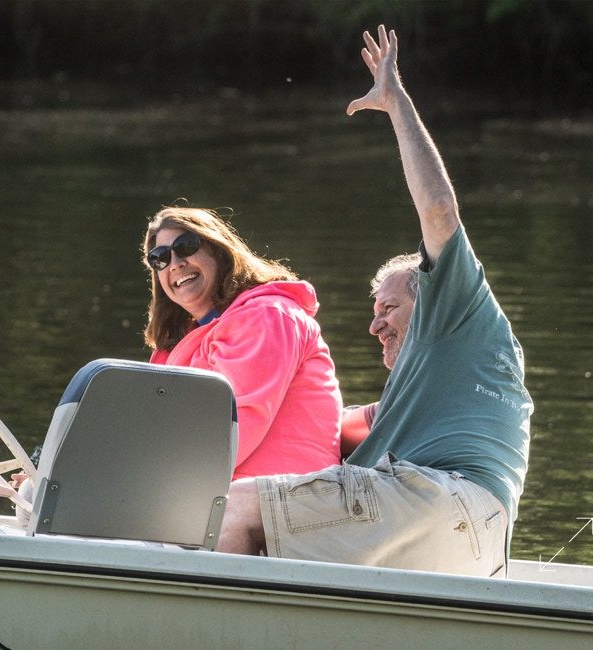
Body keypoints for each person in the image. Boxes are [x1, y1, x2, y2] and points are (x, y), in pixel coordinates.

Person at [216, 26, 532, 578]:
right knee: (275, 536)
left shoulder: (458, 309)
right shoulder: (441, 387)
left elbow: (439, 210)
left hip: (438, 500)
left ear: (432, 299)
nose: (374, 325)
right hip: (481, 545)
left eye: (388, 309)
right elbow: (326, 428)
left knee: (233, 509)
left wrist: (395, 102)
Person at [143, 206, 342, 479]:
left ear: (218, 250)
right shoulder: (178, 347)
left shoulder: (266, 316)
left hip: (289, 494)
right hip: (215, 492)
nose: (175, 263)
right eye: (160, 258)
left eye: (186, 246)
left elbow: (235, 427)